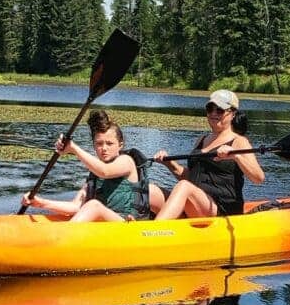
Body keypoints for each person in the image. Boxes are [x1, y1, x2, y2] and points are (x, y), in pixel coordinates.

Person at [23, 110, 162, 222]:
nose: (104, 148)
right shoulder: (94, 173)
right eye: (99, 143)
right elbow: (76, 206)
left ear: (120, 145)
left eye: (109, 143)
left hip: (125, 225)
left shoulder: (126, 161)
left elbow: (105, 172)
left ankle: (63, 240)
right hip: (105, 227)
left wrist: (73, 148)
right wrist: (40, 203)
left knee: (94, 205)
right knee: (89, 206)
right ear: (94, 145)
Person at [153, 89, 264, 220]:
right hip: (196, 204)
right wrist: (169, 164)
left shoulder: (239, 141)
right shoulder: (201, 139)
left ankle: (153, 231)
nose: (213, 113)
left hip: (223, 209)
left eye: (220, 110)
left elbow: (258, 178)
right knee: (150, 190)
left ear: (232, 113)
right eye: (210, 109)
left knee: (183, 186)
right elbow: (192, 177)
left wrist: (236, 156)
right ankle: (129, 225)